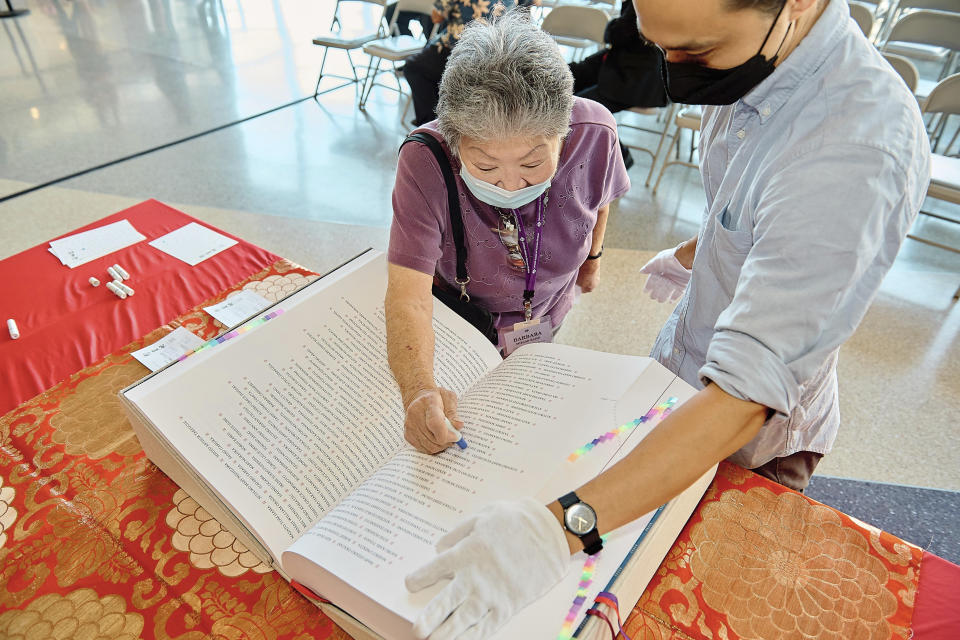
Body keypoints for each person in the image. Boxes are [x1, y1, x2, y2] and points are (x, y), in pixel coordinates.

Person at [403, 0, 932, 637]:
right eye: (660, 46)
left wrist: (557, 531)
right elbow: (751, 200)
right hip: (673, 380)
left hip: (745, 440)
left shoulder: (855, 153)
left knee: (691, 605)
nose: (673, 73)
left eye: (695, 53)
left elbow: (743, 399)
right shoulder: (758, 59)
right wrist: (702, 253)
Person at [386, 12, 629, 455]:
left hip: (547, 307)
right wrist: (419, 389)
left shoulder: (595, 133)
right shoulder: (425, 160)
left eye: (533, 164)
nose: (511, 185)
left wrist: (593, 258)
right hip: (465, 320)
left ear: (565, 133)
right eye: (485, 167)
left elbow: (601, 196)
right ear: (455, 140)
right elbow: (408, 294)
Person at [568, 0, 668, 168]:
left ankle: (619, 157)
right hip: (619, 61)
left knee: (577, 109)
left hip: (639, 77)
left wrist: (612, 28)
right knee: (563, 77)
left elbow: (620, 33)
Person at [403, 0, 516, 126]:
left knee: (413, 68)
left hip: (458, 47)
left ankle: (432, 126)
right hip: (496, 51)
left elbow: (436, 17)